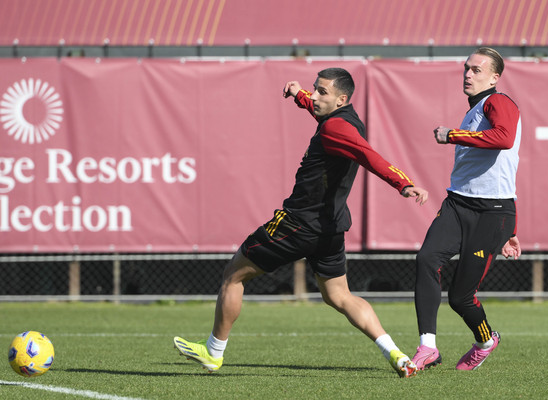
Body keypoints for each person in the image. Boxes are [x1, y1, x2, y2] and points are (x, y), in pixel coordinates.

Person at [174, 67, 428, 378]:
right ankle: (396, 354)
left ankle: (213, 352)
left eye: (322, 92)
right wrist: (300, 95)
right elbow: (321, 110)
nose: (315, 96)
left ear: (341, 99)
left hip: (298, 224)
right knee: (339, 296)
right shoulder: (346, 118)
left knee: (233, 276)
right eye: (315, 88)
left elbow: (370, 156)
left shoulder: (336, 128)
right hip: (330, 228)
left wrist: (404, 183)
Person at [411, 47, 522, 371]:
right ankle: (427, 347)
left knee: (460, 297)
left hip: (492, 213)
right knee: (426, 259)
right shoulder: (474, 110)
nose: (468, 74)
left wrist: (452, 135)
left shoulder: (498, 102)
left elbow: (504, 138)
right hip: (458, 204)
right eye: (466, 68)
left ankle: (486, 340)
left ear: (495, 77)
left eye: (476, 70)